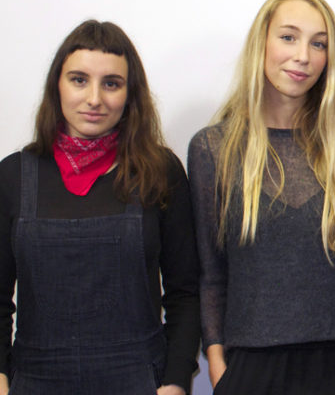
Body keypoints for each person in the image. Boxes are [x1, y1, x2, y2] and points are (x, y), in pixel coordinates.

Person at [189, 0, 335, 395]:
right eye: (289, 37)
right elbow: (210, 271)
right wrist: (217, 357)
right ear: (261, 43)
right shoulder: (214, 148)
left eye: (319, 44)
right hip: (254, 364)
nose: (303, 56)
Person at [0, 20, 200, 394]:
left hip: (138, 379)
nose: (95, 99)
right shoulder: (13, 176)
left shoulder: (159, 172)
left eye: (111, 83)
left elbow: (185, 292)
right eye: (79, 80)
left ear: (130, 94)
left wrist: (174, 382)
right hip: (35, 380)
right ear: (57, 86)